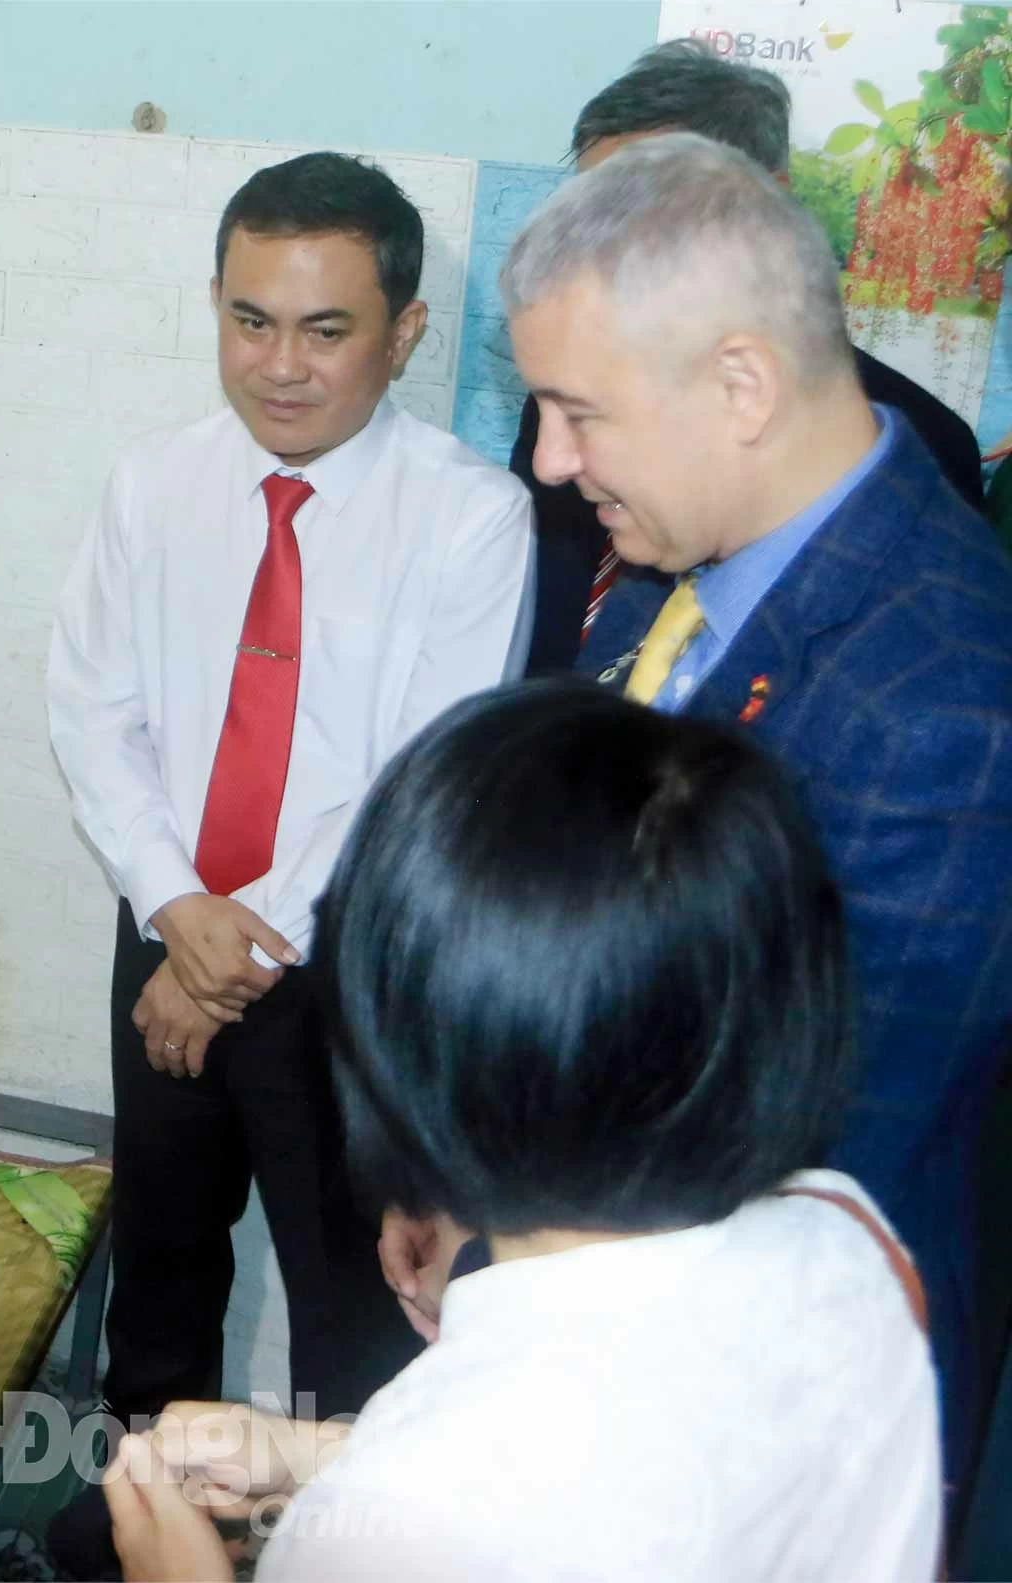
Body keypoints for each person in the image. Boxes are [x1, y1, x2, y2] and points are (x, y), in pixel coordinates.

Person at [101, 683, 942, 1581]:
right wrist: (323, 1454)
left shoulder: (383, 1529)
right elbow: (623, 1492)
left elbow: (465, 1507)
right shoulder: (848, 1235)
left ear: (407, 1064)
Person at [484, 131, 1010, 1487]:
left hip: (761, 1401)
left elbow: (818, 1157)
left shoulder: (950, 702)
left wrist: (525, 1240)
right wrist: (476, 1172)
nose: (548, 460)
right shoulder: (694, 552)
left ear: (740, 384)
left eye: (576, 409)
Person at [44, 149, 533, 1572]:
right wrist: (177, 908)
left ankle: (345, 1540)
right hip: (169, 921)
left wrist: (234, 947)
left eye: (327, 329)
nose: (282, 364)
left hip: (342, 967)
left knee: (350, 1300)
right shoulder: (155, 485)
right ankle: (137, 1513)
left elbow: (409, 772)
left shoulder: (469, 516)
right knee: (163, 1258)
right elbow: (93, 707)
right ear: (214, 303)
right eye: (250, 318)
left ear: (406, 334)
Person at [517, 38, 984, 677]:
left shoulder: (919, 444)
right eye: (582, 218)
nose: (556, 460)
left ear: (771, 203)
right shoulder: (565, 409)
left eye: (637, 218)